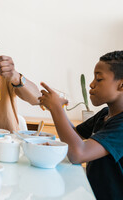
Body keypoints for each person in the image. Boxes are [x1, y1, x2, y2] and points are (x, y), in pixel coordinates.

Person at [39, 51, 123, 200]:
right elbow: (74, 136)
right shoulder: (105, 114)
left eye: (99, 79)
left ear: (121, 84)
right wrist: (58, 108)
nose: (91, 84)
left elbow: (78, 154)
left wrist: (56, 108)